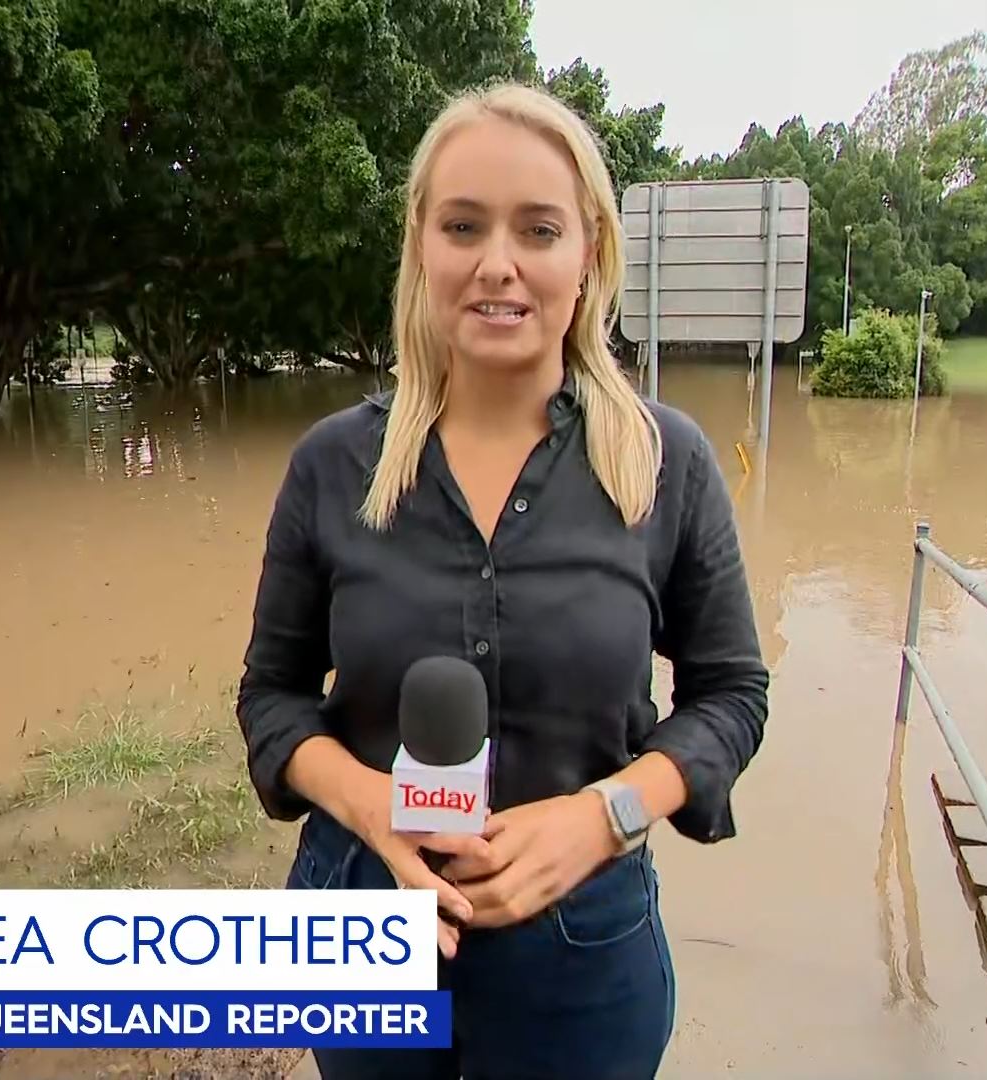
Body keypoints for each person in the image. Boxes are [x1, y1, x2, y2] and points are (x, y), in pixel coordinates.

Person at [236, 81, 770, 1080]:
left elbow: (731, 696)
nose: (497, 264)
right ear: (421, 247)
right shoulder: (332, 466)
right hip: (363, 925)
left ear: (589, 253)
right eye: (463, 226)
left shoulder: (669, 464)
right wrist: (367, 804)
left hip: (585, 951)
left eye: (538, 230)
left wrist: (603, 816)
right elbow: (271, 698)